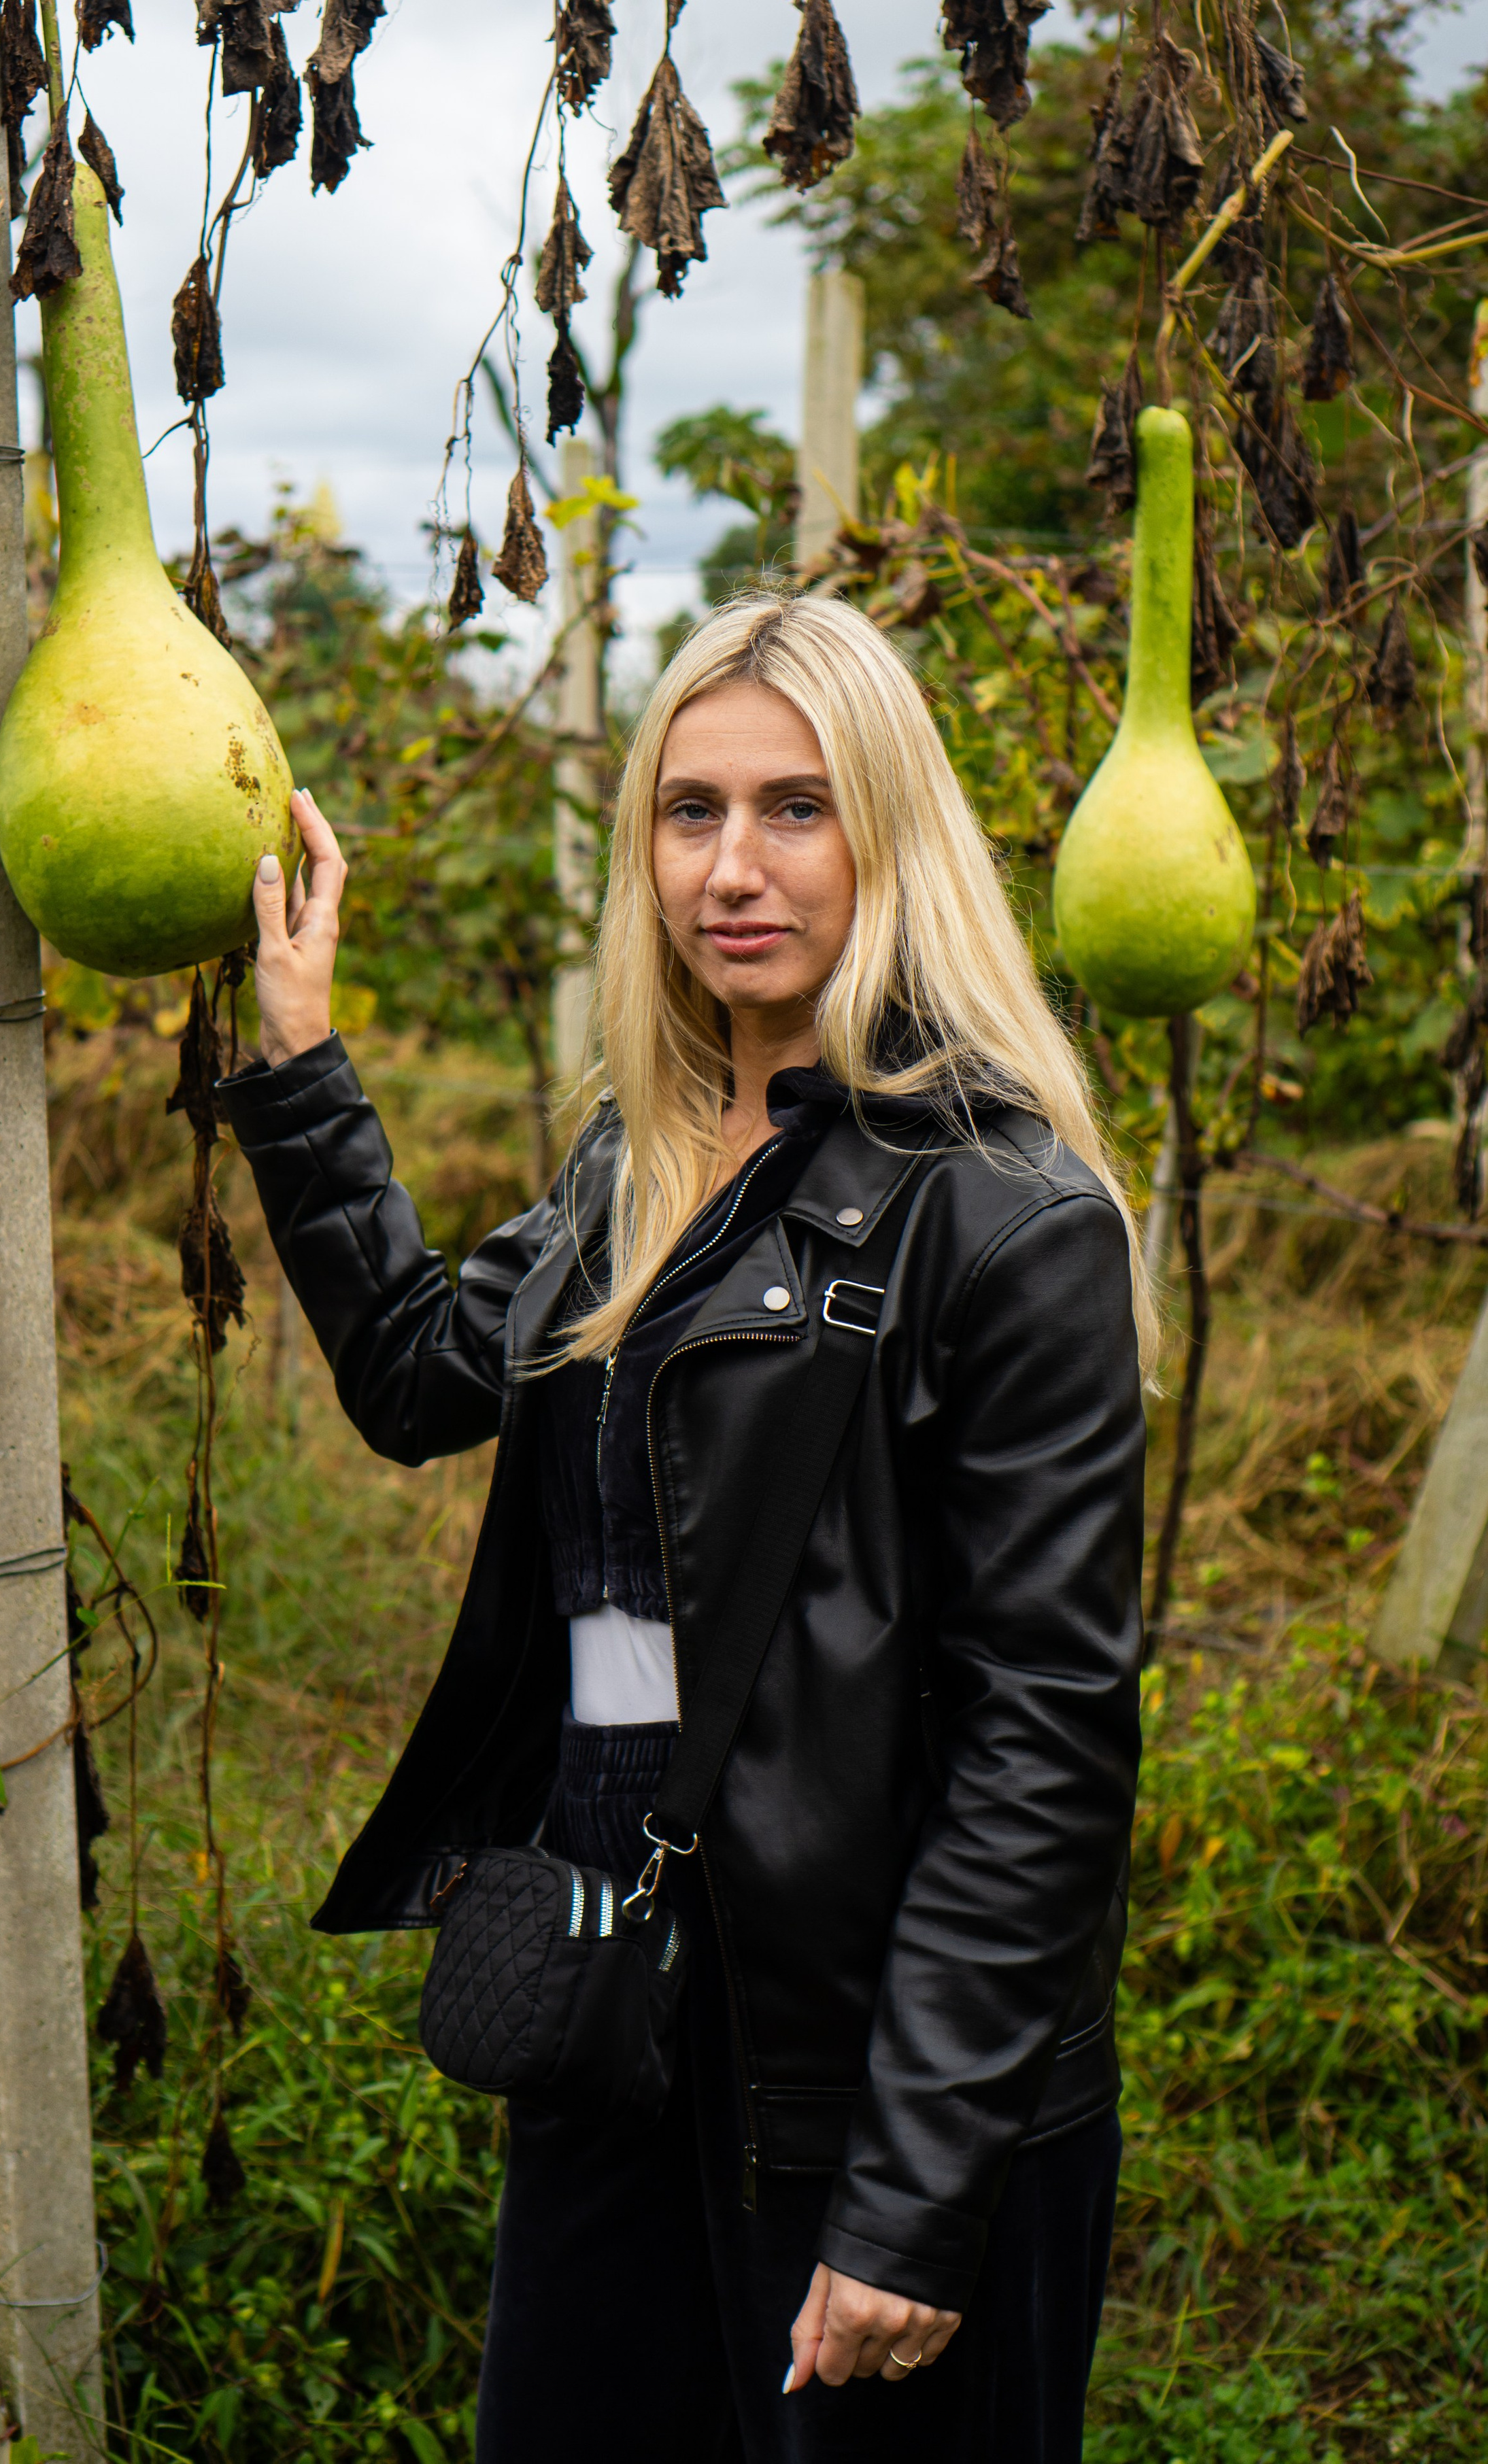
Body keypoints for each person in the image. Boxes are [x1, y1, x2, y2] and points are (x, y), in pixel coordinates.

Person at [218, 594, 1147, 2463]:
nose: (734, 868)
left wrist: (911, 2195)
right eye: (690, 810)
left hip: (861, 2078)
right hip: (615, 2016)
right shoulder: (636, 1154)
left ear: (890, 833)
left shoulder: (1010, 1221)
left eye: (796, 809)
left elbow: (1041, 1754)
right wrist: (305, 1063)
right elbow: (419, 1378)